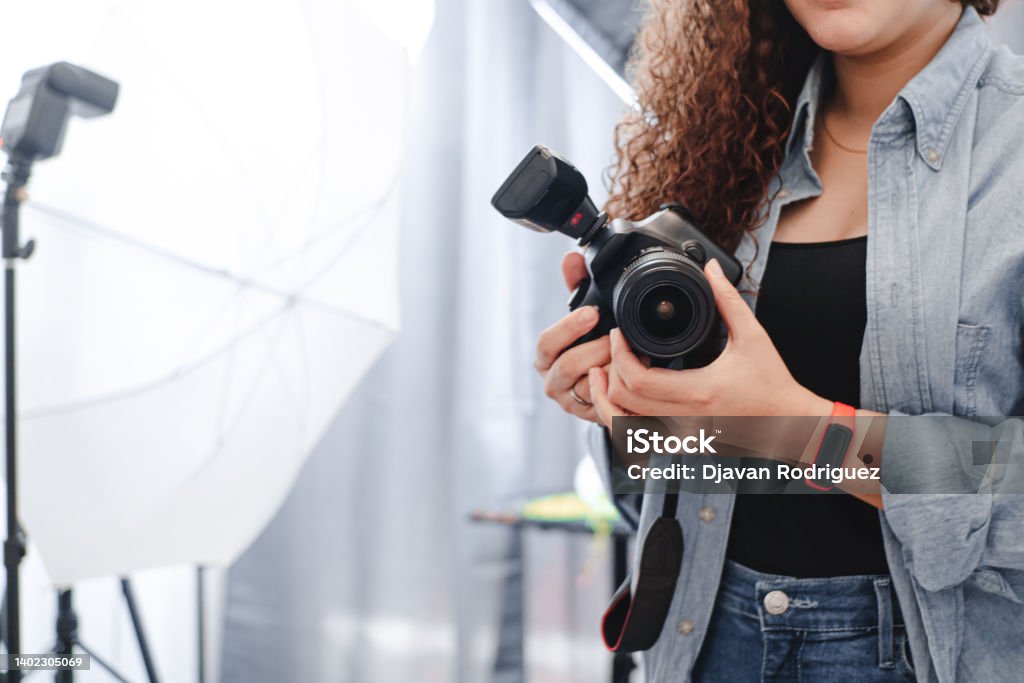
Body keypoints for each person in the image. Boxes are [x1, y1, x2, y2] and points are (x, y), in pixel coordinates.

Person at [533, 0, 1024, 680]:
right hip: (703, 639)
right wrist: (628, 416)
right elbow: (672, 483)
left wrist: (795, 427)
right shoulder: (726, 137)